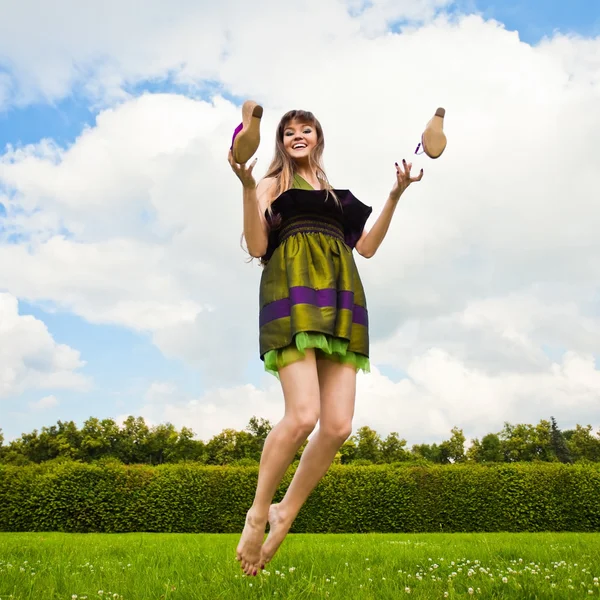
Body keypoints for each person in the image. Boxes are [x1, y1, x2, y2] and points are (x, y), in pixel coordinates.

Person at [227, 109, 423, 577]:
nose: (297, 136)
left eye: (305, 130)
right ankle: (258, 513)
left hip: (340, 299)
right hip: (291, 294)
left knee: (336, 427)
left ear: (318, 138)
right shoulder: (273, 185)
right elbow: (256, 247)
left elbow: (368, 247)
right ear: (281, 142)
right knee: (303, 416)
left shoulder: (339, 198)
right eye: (288, 132)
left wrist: (395, 195)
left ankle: (285, 511)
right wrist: (246, 186)